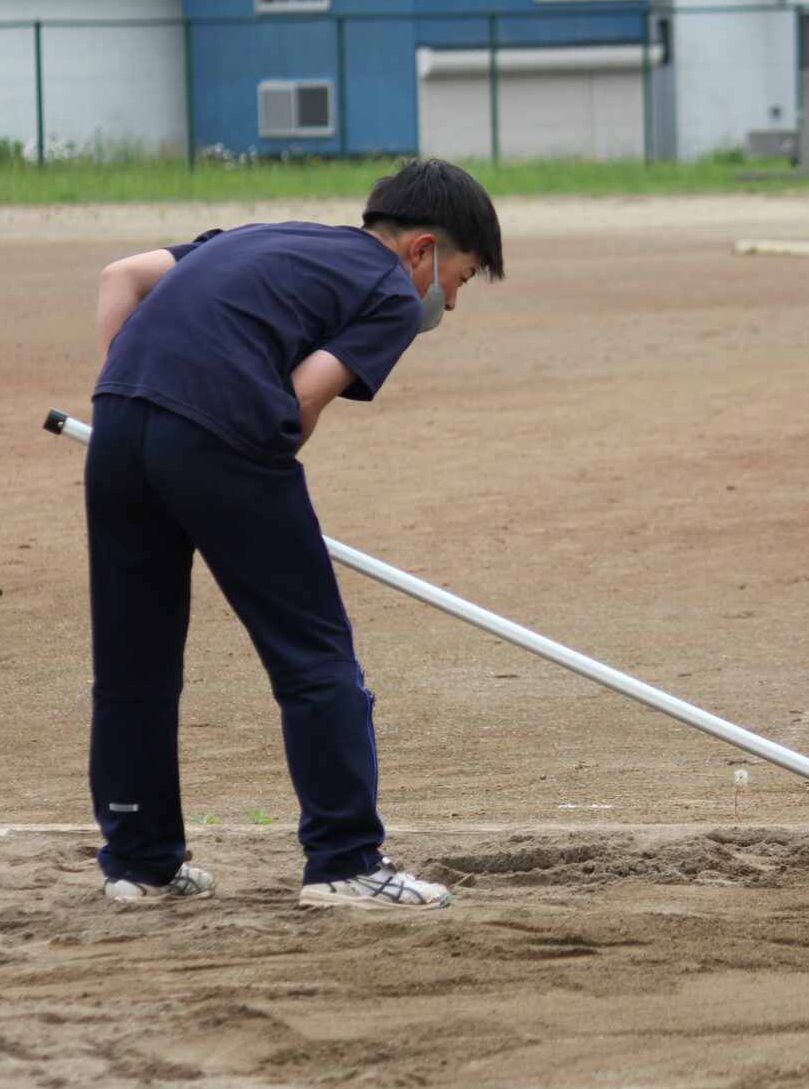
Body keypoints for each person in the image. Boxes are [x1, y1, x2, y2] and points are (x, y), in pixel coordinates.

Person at [83, 159, 504, 906]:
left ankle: (138, 862)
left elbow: (123, 276)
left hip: (117, 424)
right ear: (422, 250)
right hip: (221, 438)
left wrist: (135, 402)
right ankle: (346, 862)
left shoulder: (259, 235)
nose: (452, 301)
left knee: (133, 665)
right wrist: (240, 488)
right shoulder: (388, 294)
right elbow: (298, 400)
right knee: (314, 653)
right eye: (461, 278)